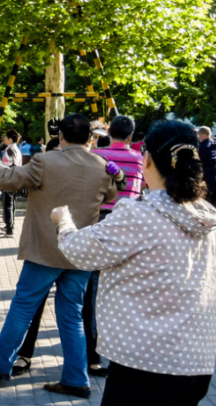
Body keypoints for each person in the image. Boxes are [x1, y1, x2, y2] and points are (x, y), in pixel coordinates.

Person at [60, 120, 216, 406]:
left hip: (146, 362)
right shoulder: (205, 215)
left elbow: (80, 251)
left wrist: (64, 222)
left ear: (147, 158)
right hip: (195, 363)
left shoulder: (140, 214)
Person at [0, 113, 118, 398]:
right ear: (90, 138)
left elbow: (9, 180)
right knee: (72, 315)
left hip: (45, 250)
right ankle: (76, 379)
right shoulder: (102, 165)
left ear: (62, 136)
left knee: (23, 307)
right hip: (80, 253)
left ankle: (1, 364)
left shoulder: (45, 161)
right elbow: (109, 196)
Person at [81, 115, 145, 377]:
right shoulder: (140, 159)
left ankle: (92, 355)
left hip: (98, 223)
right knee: (125, 289)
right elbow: (139, 193)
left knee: (93, 291)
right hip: (128, 226)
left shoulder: (96, 155)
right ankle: (122, 351)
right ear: (131, 136)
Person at [0, 130, 23, 236]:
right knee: (11, 203)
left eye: (5, 137)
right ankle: (9, 226)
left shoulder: (10, 150)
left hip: (10, 178)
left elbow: (11, 164)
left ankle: (10, 229)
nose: (4, 138)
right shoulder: (14, 148)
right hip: (15, 178)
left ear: (10, 139)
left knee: (8, 204)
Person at [197, 126, 216, 211]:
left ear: (201, 135)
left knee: (206, 208)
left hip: (207, 182)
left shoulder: (202, 148)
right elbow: (214, 139)